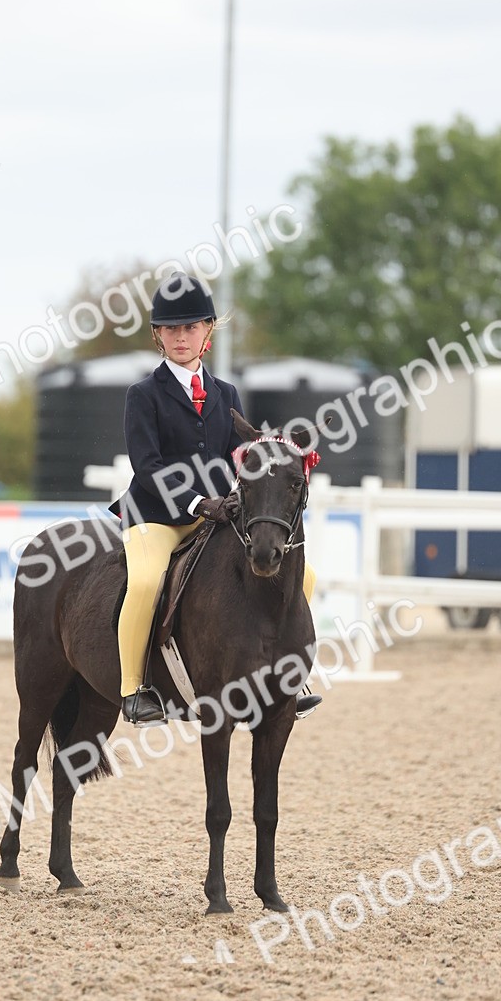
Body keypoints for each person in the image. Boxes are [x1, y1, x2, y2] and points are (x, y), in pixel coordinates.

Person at [110, 271, 321, 726]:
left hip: (219, 514)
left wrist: (275, 458)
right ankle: (135, 688)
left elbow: (239, 456)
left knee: (304, 575)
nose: (180, 337)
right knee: (145, 582)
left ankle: (290, 676)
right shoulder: (143, 395)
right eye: (170, 329)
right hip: (157, 517)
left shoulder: (226, 393)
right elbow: (147, 467)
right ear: (157, 335)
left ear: (208, 330)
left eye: (190, 327)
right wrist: (197, 503)